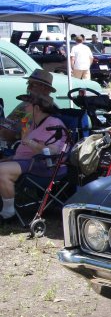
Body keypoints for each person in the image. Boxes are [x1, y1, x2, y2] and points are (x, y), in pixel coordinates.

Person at [0, 93, 66, 221]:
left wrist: (28, 141)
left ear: (37, 108)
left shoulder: (53, 123)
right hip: (28, 162)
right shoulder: (33, 124)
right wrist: (11, 158)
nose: (25, 107)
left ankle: (8, 213)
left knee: (2, 171)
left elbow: (53, 151)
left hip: (46, 166)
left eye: (28, 104)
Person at [0, 69, 58, 150]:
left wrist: (14, 135)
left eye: (33, 84)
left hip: (19, 146)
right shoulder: (26, 102)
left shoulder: (46, 108)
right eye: (28, 83)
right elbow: (9, 120)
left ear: (45, 88)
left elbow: (31, 134)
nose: (28, 87)